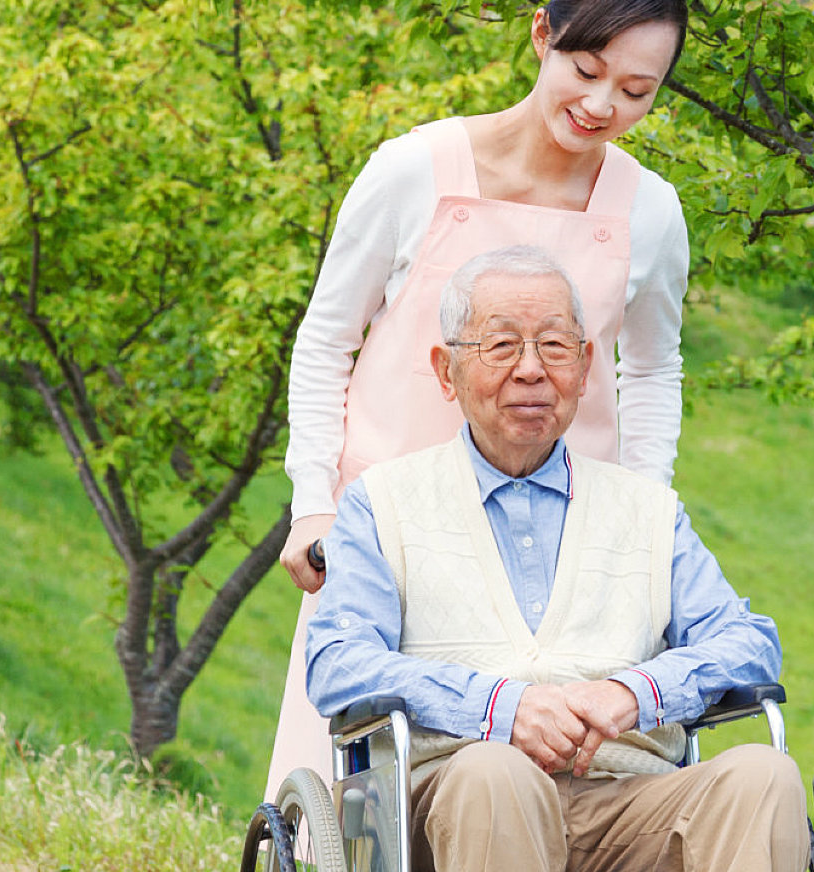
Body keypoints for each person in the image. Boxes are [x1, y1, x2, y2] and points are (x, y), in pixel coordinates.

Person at [266, 0, 693, 797]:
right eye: (587, 71)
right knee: (361, 787)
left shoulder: (649, 211)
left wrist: (645, 509)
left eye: (637, 92)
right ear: (542, 35)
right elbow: (327, 339)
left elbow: (655, 370)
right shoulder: (412, 170)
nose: (603, 107)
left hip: (557, 543)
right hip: (390, 532)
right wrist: (313, 502)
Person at [306, 246, 806, 872]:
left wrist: (636, 692)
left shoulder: (648, 511)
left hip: (629, 798)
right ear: (445, 371)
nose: (531, 370)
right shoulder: (381, 504)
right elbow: (339, 662)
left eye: (555, 347)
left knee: (763, 775)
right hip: (457, 802)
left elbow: (748, 642)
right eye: (502, 346)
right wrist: (500, 708)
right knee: (494, 773)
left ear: (585, 366)